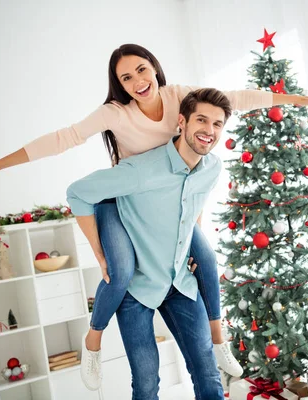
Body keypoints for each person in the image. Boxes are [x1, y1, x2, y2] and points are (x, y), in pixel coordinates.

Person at [0, 44, 308, 386]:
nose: (137, 81)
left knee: (208, 260)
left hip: (165, 203)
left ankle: (219, 343)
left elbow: (234, 99)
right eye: (126, 77)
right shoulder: (117, 113)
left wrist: (299, 101)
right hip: (120, 200)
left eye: (142, 70)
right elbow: (63, 139)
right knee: (119, 273)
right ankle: (93, 344)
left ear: (155, 68)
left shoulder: (180, 96)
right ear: (120, 84)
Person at [67, 88, 230, 399]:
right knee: (146, 384)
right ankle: (92, 343)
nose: (209, 131)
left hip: (181, 283)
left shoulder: (212, 168)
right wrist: (99, 253)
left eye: (217, 124)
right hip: (137, 290)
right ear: (181, 122)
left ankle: (220, 340)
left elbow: (194, 206)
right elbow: (77, 192)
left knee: (208, 376)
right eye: (202, 120)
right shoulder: (140, 171)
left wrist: (189, 245)